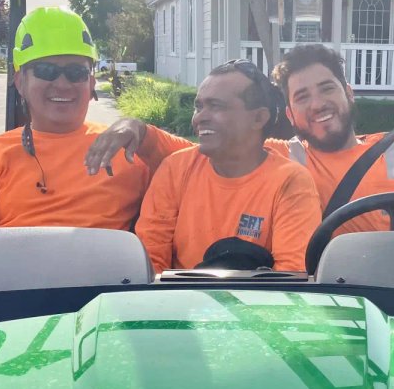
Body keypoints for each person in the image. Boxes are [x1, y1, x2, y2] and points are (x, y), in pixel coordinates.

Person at [85, 44, 394, 237]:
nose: (318, 104)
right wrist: (133, 126)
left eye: (327, 89)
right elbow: (198, 149)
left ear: (349, 93)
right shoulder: (282, 157)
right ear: (289, 116)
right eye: (302, 97)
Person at [0, 7, 149, 244]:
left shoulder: (128, 151)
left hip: (106, 280)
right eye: (46, 71)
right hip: (15, 280)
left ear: (90, 82)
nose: (62, 84)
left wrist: (142, 129)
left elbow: (193, 166)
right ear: (20, 82)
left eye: (75, 72)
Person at [135, 60, 321, 272]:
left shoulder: (290, 181)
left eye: (216, 106)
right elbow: (149, 266)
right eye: (199, 106)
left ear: (259, 118)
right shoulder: (175, 169)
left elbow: (290, 277)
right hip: (175, 300)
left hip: (256, 303)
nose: (199, 118)